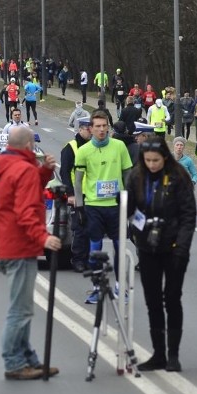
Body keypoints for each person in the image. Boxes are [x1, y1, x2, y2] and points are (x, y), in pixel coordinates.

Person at [0, 126, 61, 380]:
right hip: (20, 248)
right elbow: (26, 211)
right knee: (20, 310)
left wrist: (44, 172)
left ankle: (28, 359)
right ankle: (14, 363)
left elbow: (22, 191)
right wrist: (45, 237)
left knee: (23, 308)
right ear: (29, 146)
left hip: (6, 245)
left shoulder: (5, 166)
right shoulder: (24, 170)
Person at [126, 138, 196, 372]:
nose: (152, 165)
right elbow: (129, 209)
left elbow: (188, 215)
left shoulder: (178, 177)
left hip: (174, 246)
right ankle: (158, 353)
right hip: (147, 246)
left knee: (172, 298)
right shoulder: (136, 177)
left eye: (156, 160)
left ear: (164, 157)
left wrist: (183, 248)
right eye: (147, 161)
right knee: (152, 300)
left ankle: (173, 354)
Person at [74, 111, 133, 303]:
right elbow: (78, 181)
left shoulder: (119, 146)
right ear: (91, 129)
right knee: (94, 248)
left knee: (119, 246)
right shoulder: (83, 151)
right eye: (97, 126)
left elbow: (128, 175)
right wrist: (80, 207)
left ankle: (120, 287)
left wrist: (130, 201)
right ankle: (97, 287)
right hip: (93, 205)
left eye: (104, 126)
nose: (101, 130)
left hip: (116, 205)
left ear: (108, 127)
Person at [60, 117, 92, 272]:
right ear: (80, 129)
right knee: (79, 228)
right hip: (78, 195)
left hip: (93, 195)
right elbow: (64, 172)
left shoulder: (93, 146)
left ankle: (88, 259)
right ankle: (78, 260)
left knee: (91, 228)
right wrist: (70, 194)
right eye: (88, 128)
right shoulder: (71, 147)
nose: (91, 131)